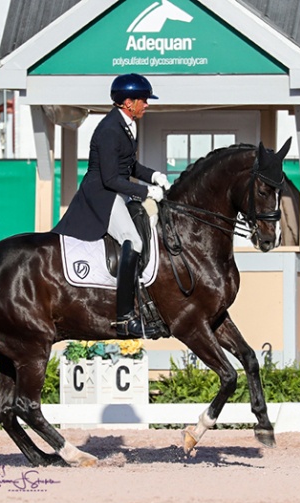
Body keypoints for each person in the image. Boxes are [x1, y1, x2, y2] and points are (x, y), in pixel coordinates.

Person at [52, 73, 171, 338]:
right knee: (134, 241)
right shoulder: (108, 130)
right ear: (128, 102)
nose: (147, 105)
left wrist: (153, 175)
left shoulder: (128, 124)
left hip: (117, 189)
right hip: (102, 194)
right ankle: (125, 317)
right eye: (143, 100)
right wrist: (145, 190)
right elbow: (110, 178)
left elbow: (128, 166)